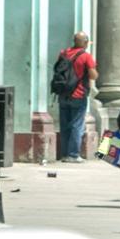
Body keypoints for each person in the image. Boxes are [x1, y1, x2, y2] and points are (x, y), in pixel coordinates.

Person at [50, 32, 97, 162]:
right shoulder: (86, 56)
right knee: (77, 124)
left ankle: (65, 154)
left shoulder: (64, 53)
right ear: (84, 42)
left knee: (64, 125)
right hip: (78, 94)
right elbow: (93, 75)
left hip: (63, 94)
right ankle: (73, 154)